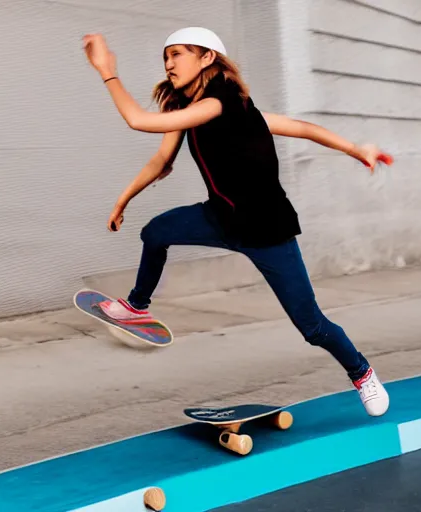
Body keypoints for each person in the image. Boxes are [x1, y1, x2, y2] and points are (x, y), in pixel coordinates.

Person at [82, 27, 393, 416]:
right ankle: (137, 307)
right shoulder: (188, 111)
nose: (169, 63)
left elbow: (138, 120)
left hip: (267, 231)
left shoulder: (222, 103)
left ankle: (361, 372)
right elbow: (162, 160)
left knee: (312, 326)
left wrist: (107, 71)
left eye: (178, 54)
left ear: (207, 58)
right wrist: (123, 199)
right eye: (166, 56)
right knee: (156, 231)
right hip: (220, 219)